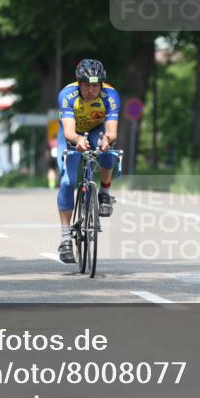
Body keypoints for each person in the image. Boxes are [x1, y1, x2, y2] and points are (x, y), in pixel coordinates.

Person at [55, 59, 120, 264]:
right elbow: (68, 132)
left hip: (96, 129)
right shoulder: (67, 95)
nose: (91, 90)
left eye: (95, 86)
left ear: (101, 84)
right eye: (86, 85)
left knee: (108, 152)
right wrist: (77, 140)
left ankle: (105, 193)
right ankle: (66, 238)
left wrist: (106, 140)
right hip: (72, 132)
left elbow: (112, 132)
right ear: (79, 84)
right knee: (67, 182)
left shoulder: (111, 96)